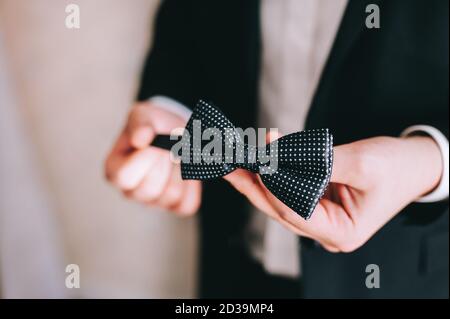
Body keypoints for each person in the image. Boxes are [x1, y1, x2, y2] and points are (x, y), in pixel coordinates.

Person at [104, 0, 449, 298]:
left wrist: (431, 161)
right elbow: (184, 29)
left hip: (406, 274)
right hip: (233, 265)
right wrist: (172, 109)